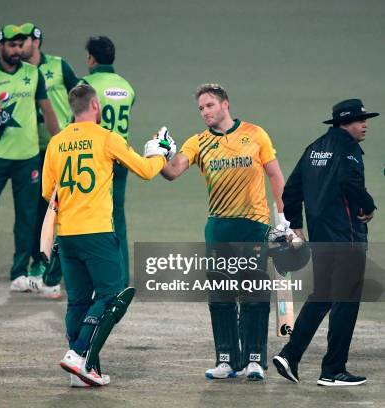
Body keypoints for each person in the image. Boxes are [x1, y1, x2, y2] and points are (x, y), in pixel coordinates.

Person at [44, 84, 173, 387]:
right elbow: (144, 170)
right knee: (112, 294)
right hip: (97, 232)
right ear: (95, 106)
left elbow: (48, 193)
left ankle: (84, 374)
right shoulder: (106, 138)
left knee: (77, 301)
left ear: (71, 109)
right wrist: (160, 152)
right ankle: (78, 354)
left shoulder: (56, 142)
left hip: (67, 234)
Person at [161, 84, 286, 380]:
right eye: (201, 108)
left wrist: (283, 218)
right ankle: (227, 360)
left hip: (253, 225)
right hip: (218, 227)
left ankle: (255, 360)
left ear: (225, 104)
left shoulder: (256, 134)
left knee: (254, 294)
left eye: (209, 105)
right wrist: (160, 155)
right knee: (221, 296)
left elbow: (275, 175)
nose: (205, 112)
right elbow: (172, 172)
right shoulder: (198, 142)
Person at [273, 99, 378, 387]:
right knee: (346, 301)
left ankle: (290, 355)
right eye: (360, 120)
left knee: (323, 296)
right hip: (347, 239)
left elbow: (291, 189)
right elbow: (351, 183)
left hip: (322, 238)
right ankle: (333, 370)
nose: (365, 124)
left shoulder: (313, 149)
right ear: (345, 123)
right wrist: (368, 207)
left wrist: (296, 224)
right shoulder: (349, 149)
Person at [0, 24, 60, 292]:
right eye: (12, 45)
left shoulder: (33, 74)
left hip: (27, 159)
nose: (17, 50)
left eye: (20, 45)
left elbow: (48, 110)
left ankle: (19, 273)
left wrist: (61, 142)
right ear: (1, 46)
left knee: (26, 217)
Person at [19, 22, 79, 297]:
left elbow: (80, 93)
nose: (19, 45)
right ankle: (37, 263)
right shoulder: (20, 71)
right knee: (37, 207)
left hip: (61, 146)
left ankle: (58, 266)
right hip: (33, 148)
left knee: (61, 206)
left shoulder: (58, 66)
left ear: (37, 42)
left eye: (25, 40)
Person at [81, 36, 135, 286]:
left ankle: (93, 276)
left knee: (89, 219)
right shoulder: (126, 86)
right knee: (118, 218)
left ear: (91, 58)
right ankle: (122, 279)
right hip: (121, 158)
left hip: (95, 160)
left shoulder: (86, 85)